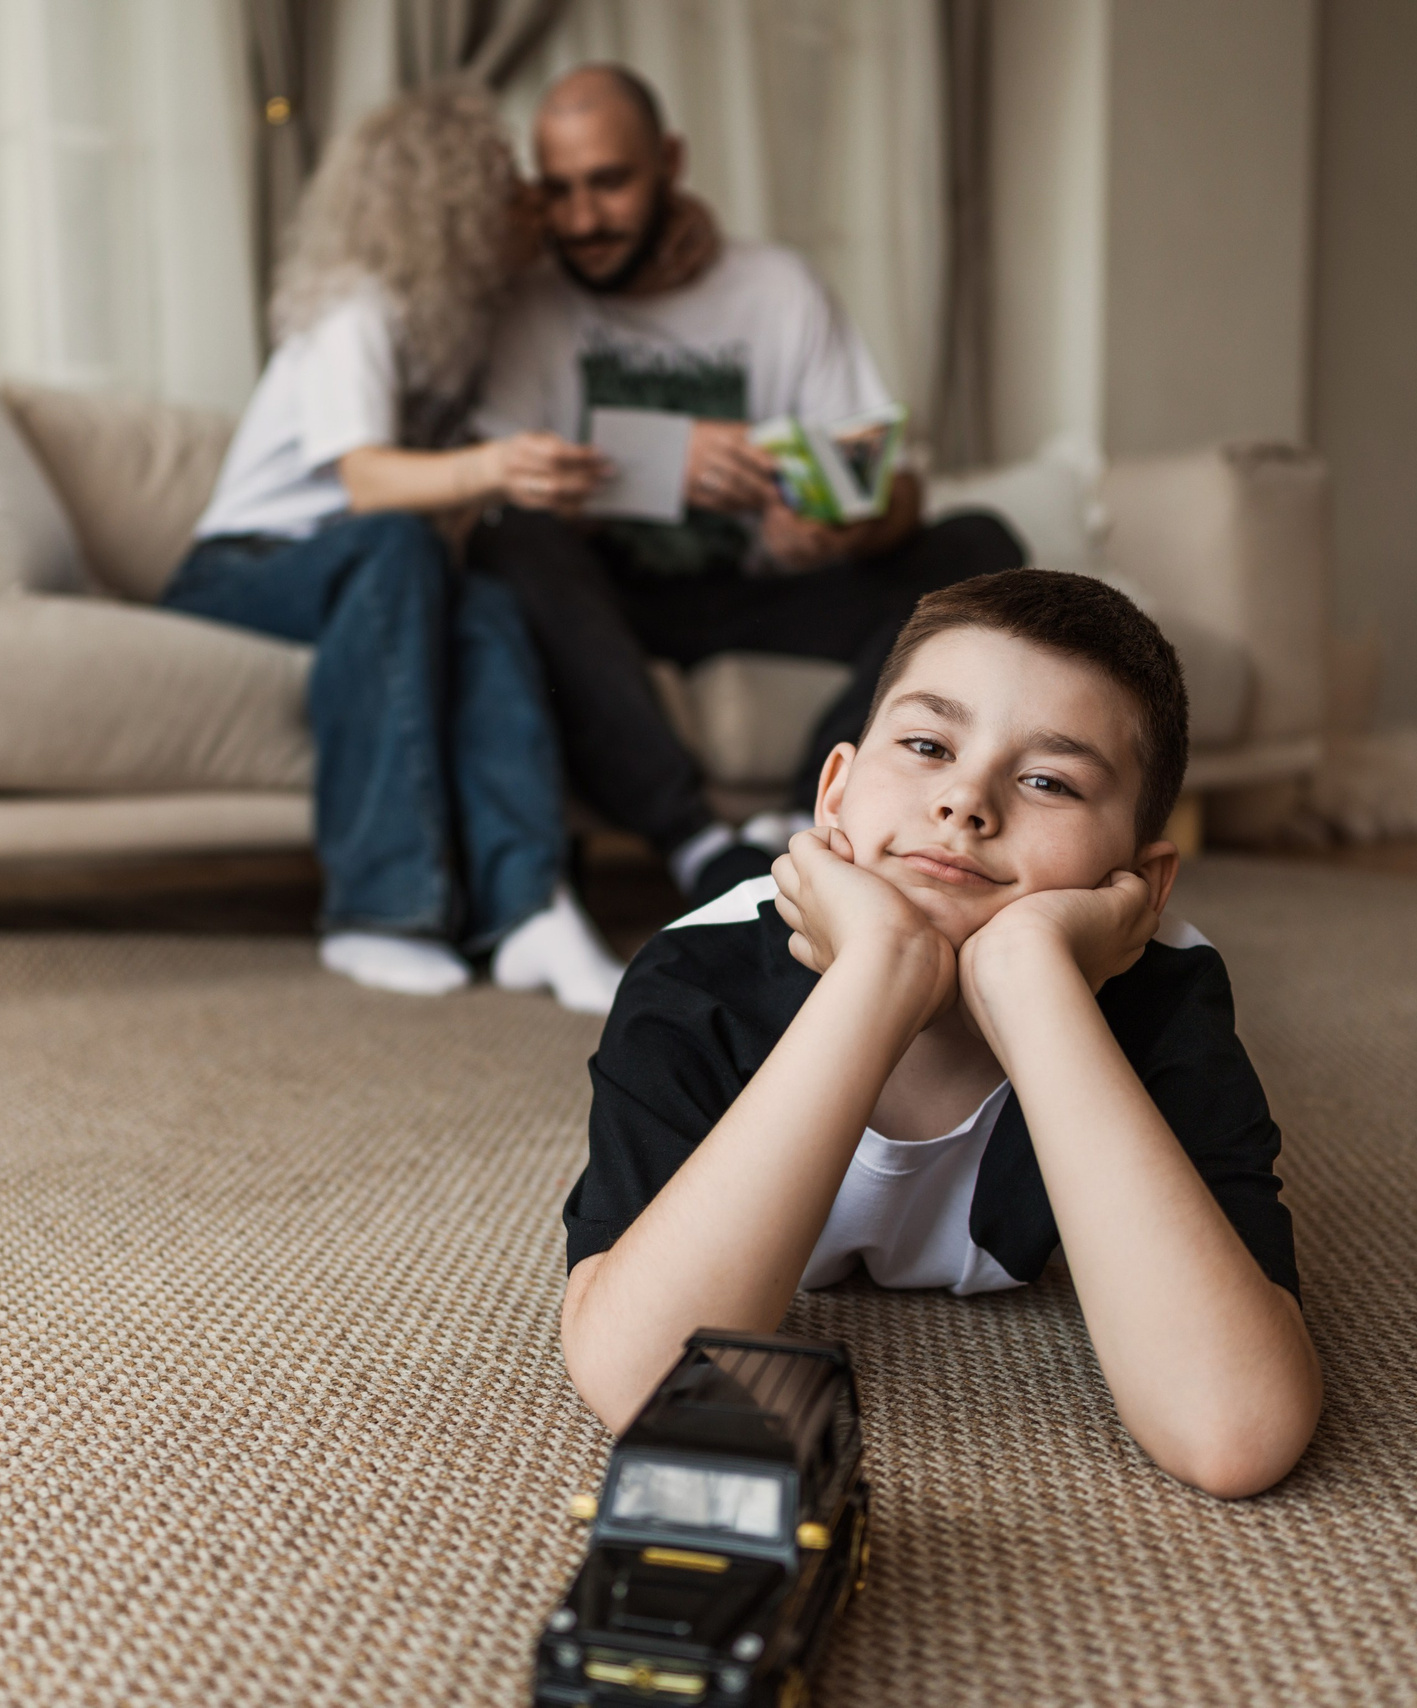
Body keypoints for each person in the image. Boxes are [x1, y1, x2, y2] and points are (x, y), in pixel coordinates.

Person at [557, 572, 1322, 1499]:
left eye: (1049, 780)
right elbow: (645, 1381)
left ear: (1144, 885)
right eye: (926, 745)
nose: (966, 803)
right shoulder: (697, 977)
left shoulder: (1166, 994)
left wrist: (1033, 984)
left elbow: (1233, 1431)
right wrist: (880, 972)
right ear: (833, 793)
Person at [469, 64, 1029, 905]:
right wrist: (667, 462)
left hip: (768, 590)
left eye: (611, 183)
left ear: (669, 161)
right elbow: (493, 485)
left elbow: (900, 485)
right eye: (560, 190)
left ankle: (793, 824)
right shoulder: (528, 305)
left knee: (983, 545)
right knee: (509, 541)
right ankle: (692, 841)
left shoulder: (778, 289)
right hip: (616, 607)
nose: (583, 219)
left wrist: (849, 529)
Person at [166, 85, 623, 1011]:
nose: (532, 204)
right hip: (240, 573)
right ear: (449, 206)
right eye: (509, 190)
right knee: (398, 547)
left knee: (485, 601)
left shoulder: (458, 327)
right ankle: (378, 909)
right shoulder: (357, 312)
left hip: (375, 571)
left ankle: (530, 904)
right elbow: (368, 484)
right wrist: (495, 467)